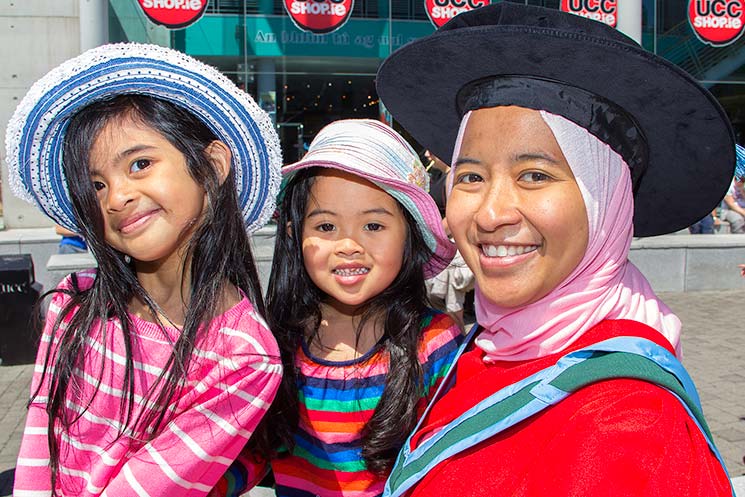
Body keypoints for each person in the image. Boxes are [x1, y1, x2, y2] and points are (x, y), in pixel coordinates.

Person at [376, 3, 735, 496]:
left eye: (535, 176)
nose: (489, 213)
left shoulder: (631, 431)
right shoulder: (482, 347)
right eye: (471, 176)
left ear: (604, 201)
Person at [6, 43, 284, 496]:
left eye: (140, 164)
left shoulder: (242, 356)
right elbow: (38, 453)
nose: (116, 198)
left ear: (212, 168)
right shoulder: (72, 305)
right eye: (97, 185)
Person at [212, 119, 464, 497]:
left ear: (408, 235)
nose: (348, 245)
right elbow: (255, 452)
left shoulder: (434, 345)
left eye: (374, 226)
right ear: (295, 234)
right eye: (326, 226)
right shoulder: (275, 343)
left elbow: (451, 466)